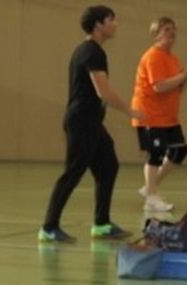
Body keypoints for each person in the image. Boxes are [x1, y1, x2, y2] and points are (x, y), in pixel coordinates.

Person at [41, 5, 146, 244]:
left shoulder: (92, 51)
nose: (116, 23)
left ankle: (101, 223)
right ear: (99, 24)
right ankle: (48, 227)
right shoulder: (91, 52)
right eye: (111, 19)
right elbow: (103, 91)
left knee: (108, 166)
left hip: (92, 122)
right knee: (73, 172)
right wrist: (131, 110)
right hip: (82, 121)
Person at [132, 16, 187, 213]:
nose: (172, 33)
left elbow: (176, 87)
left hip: (168, 116)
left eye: (173, 29)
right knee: (155, 153)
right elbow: (159, 86)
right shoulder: (153, 57)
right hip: (150, 115)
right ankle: (152, 197)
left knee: (180, 150)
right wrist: (184, 75)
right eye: (167, 29)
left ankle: (149, 187)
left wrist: (186, 76)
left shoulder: (172, 58)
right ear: (156, 34)